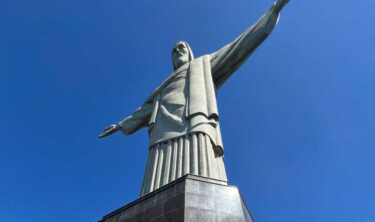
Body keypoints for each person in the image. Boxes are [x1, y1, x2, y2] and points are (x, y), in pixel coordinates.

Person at [99, 0, 291, 195]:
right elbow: (144, 112)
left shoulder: (203, 65)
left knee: (203, 176)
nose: (177, 51)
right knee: (156, 184)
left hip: (194, 122)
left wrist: (272, 13)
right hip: (162, 134)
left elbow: (238, 48)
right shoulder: (160, 90)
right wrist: (121, 125)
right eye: (174, 51)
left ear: (190, 53)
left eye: (182, 47)